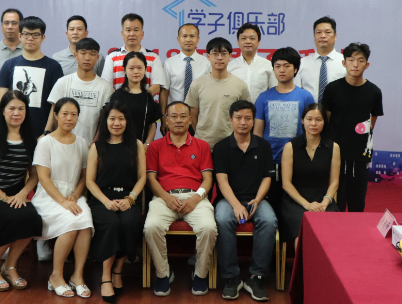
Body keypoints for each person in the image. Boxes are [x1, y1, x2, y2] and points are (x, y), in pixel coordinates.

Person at [144, 101, 217, 297]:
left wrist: (196, 198)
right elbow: (151, 178)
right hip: (164, 197)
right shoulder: (155, 146)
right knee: (151, 227)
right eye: (173, 116)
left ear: (190, 120)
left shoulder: (202, 146)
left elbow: (208, 179)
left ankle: (200, 274)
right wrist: (166, 197)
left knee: (209, 228)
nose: (178, 120)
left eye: (183, 116)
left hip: (195, 197)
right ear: (166, 120)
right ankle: (163, 274)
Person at [0, 90, 42, 292]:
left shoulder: (30, 140)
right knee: (12, 218)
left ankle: (9, 266)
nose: (16, 113)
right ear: (2, 111)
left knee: (34, 219)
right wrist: (3, 197)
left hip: (16, 194)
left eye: (21, 108)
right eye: (11, 108)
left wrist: (23, 193)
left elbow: (34, 175)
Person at [213, 100, 277, 302]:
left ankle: (257, 277)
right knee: (223, 219)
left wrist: (257, 199)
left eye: (248, 118)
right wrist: (236, 205)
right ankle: (231, 277)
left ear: (253, 121)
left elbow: (267, 177)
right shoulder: (221, 147)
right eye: (238, 118)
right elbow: (221, 181)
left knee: (269, 220)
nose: (243, 122)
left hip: (257, 199)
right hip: (229, 200)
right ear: (231, 120)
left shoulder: (263, 146)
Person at [32, 98, 94, 297]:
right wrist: (63, 202)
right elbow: (43, 177)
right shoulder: (45, 142)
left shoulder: (81, 142)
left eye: (74, 114)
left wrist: (75, 195)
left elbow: (84, 176)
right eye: (65, 114)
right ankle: (56, 275)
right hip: (49, 196)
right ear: (56, 116)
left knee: (85, 221)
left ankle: (77, 276)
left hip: (73, 195)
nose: (69, 118)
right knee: (71, 221)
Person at [86, 100, 146, 303]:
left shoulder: (136, 145)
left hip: (128, 198)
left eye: (121, 118)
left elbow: (142, 178)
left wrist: (131, 198)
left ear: (127, 121)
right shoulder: (97, 147)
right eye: (112, 118)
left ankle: (117, 271)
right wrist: (105, 201)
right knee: (111, 223)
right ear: (105, 121)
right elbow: (90, 181)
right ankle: (105, 277)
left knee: (129, 222)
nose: (116, 123)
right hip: (102, 199)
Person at [321, 43, 383, 213]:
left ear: (367, 65)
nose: (355, 64)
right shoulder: (332, 89)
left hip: (360, 155)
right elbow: (326, 121)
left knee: (357, 203)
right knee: (336, 203)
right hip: (336, 153)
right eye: (351, 60)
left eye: (360, 60)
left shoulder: (374, 92)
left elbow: (371, 123)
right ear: (344, 63)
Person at [253, 47, 315, 210]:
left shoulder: (305, 97)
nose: (281, 70)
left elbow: (311, 131)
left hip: (297, 160)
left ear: (295, 69)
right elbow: (258, 132)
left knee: (294, 205)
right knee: (272, 204)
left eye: (287, 66)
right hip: (270, 160)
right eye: (277, 66)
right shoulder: (263, 97)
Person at [280, 103, 340, 244]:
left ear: (324, 122)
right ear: (302, 120)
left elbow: (335, 182)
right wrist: (307, 205)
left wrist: (325, 203)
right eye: (309, 119)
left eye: (318, 120)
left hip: (323, 199)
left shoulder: (334, 147)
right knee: (303, 234)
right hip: (295, 201)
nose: (313, 124)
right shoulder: (290, 147)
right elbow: (286, 184)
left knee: (329, 234)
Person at [0, 16, 64, 137]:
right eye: (26, 34)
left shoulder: (54, 67)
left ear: (43, 37)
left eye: (35, 35)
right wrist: (5, 129)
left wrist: (47, 132)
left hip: (42, 134)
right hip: (11, 133)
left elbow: (56, 104)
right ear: (20, 36)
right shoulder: (9, 65)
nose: (30, 38)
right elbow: (1, 101)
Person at [46, 38, 113, 146]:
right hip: (62, 144)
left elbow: (104, 120)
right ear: (76, 55)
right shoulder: (63, 82)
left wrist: (94, 144)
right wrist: (47, 132)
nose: (87, 58)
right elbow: (54, 113)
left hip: (91, 146)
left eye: (92, 54)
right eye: (83, 53)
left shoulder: (105, 87)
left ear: (97, 57)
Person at [186, 37, 251, 150]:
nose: (219, 58)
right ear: (208, 56)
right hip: (203, 145)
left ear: (230, 56)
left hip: (231, 145)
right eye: (215, 54)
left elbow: (245, 116)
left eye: (224, 54)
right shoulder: (197, 84)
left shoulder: (240, 85)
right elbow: (193, 117)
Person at [159, 23, 211, 132]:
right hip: (175, 118)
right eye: (185, 36)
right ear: (178, 39)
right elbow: (164, 91)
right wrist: (163, 117)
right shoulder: (169, 63)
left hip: (200, 117)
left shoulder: (207, 63)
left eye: (192, 36)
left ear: (198, 39)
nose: (188, 39)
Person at [101, 13, 166, 96]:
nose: (132, 34)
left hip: (144, 102)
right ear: (122, 34)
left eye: (136, 30)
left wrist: (139, 99)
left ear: (142, 34)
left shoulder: (154, 57)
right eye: (128, 30)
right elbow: (107, 85)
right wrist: (121, 99)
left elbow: (156, 86)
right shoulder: (112, 57)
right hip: (118, 103)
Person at [110, 52, 163, 144]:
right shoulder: (117, 96)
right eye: (131, 68)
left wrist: (146, 145)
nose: (136, 72)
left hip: (143, 147)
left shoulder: (148, 97)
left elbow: (152, 125)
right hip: (121, 146)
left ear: (145, 69)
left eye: (140, 68)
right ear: (124, 70)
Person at [295, 16, 346, 103]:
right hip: (309, 110)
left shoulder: (346, 62)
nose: (323, 36)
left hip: (338, 110)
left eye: (327, 32)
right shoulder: (302, 63)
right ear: (314, 37)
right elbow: (297, 93)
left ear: (335, 36)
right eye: (318, 32)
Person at [227, 23, 276, 104]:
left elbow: (274, 93)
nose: (248, 41)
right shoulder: (229, 66)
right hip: (236, 111)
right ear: (238, 42)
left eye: (252, 38)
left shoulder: (268, 66)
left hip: (261, 111)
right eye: (244, 38)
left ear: (258, 42)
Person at [0, 8, 24, 82]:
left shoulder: (28, 50)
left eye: (14, 23)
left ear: (21, 26)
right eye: (6, 23)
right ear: (2, 26)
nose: (10, 27)